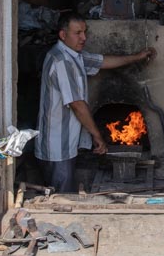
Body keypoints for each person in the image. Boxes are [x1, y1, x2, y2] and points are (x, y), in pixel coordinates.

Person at [35, 12, 156, 192]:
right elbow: (77, 105)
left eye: (85, 32)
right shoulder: (62, 61)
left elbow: (103, 61)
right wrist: (97, 136)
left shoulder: (74, 56)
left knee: (65, 192)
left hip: (66, 143)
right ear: (63, 35)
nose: (83, 38)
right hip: (57, 146)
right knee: (60, 197)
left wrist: (137, 56)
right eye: (78, 33)